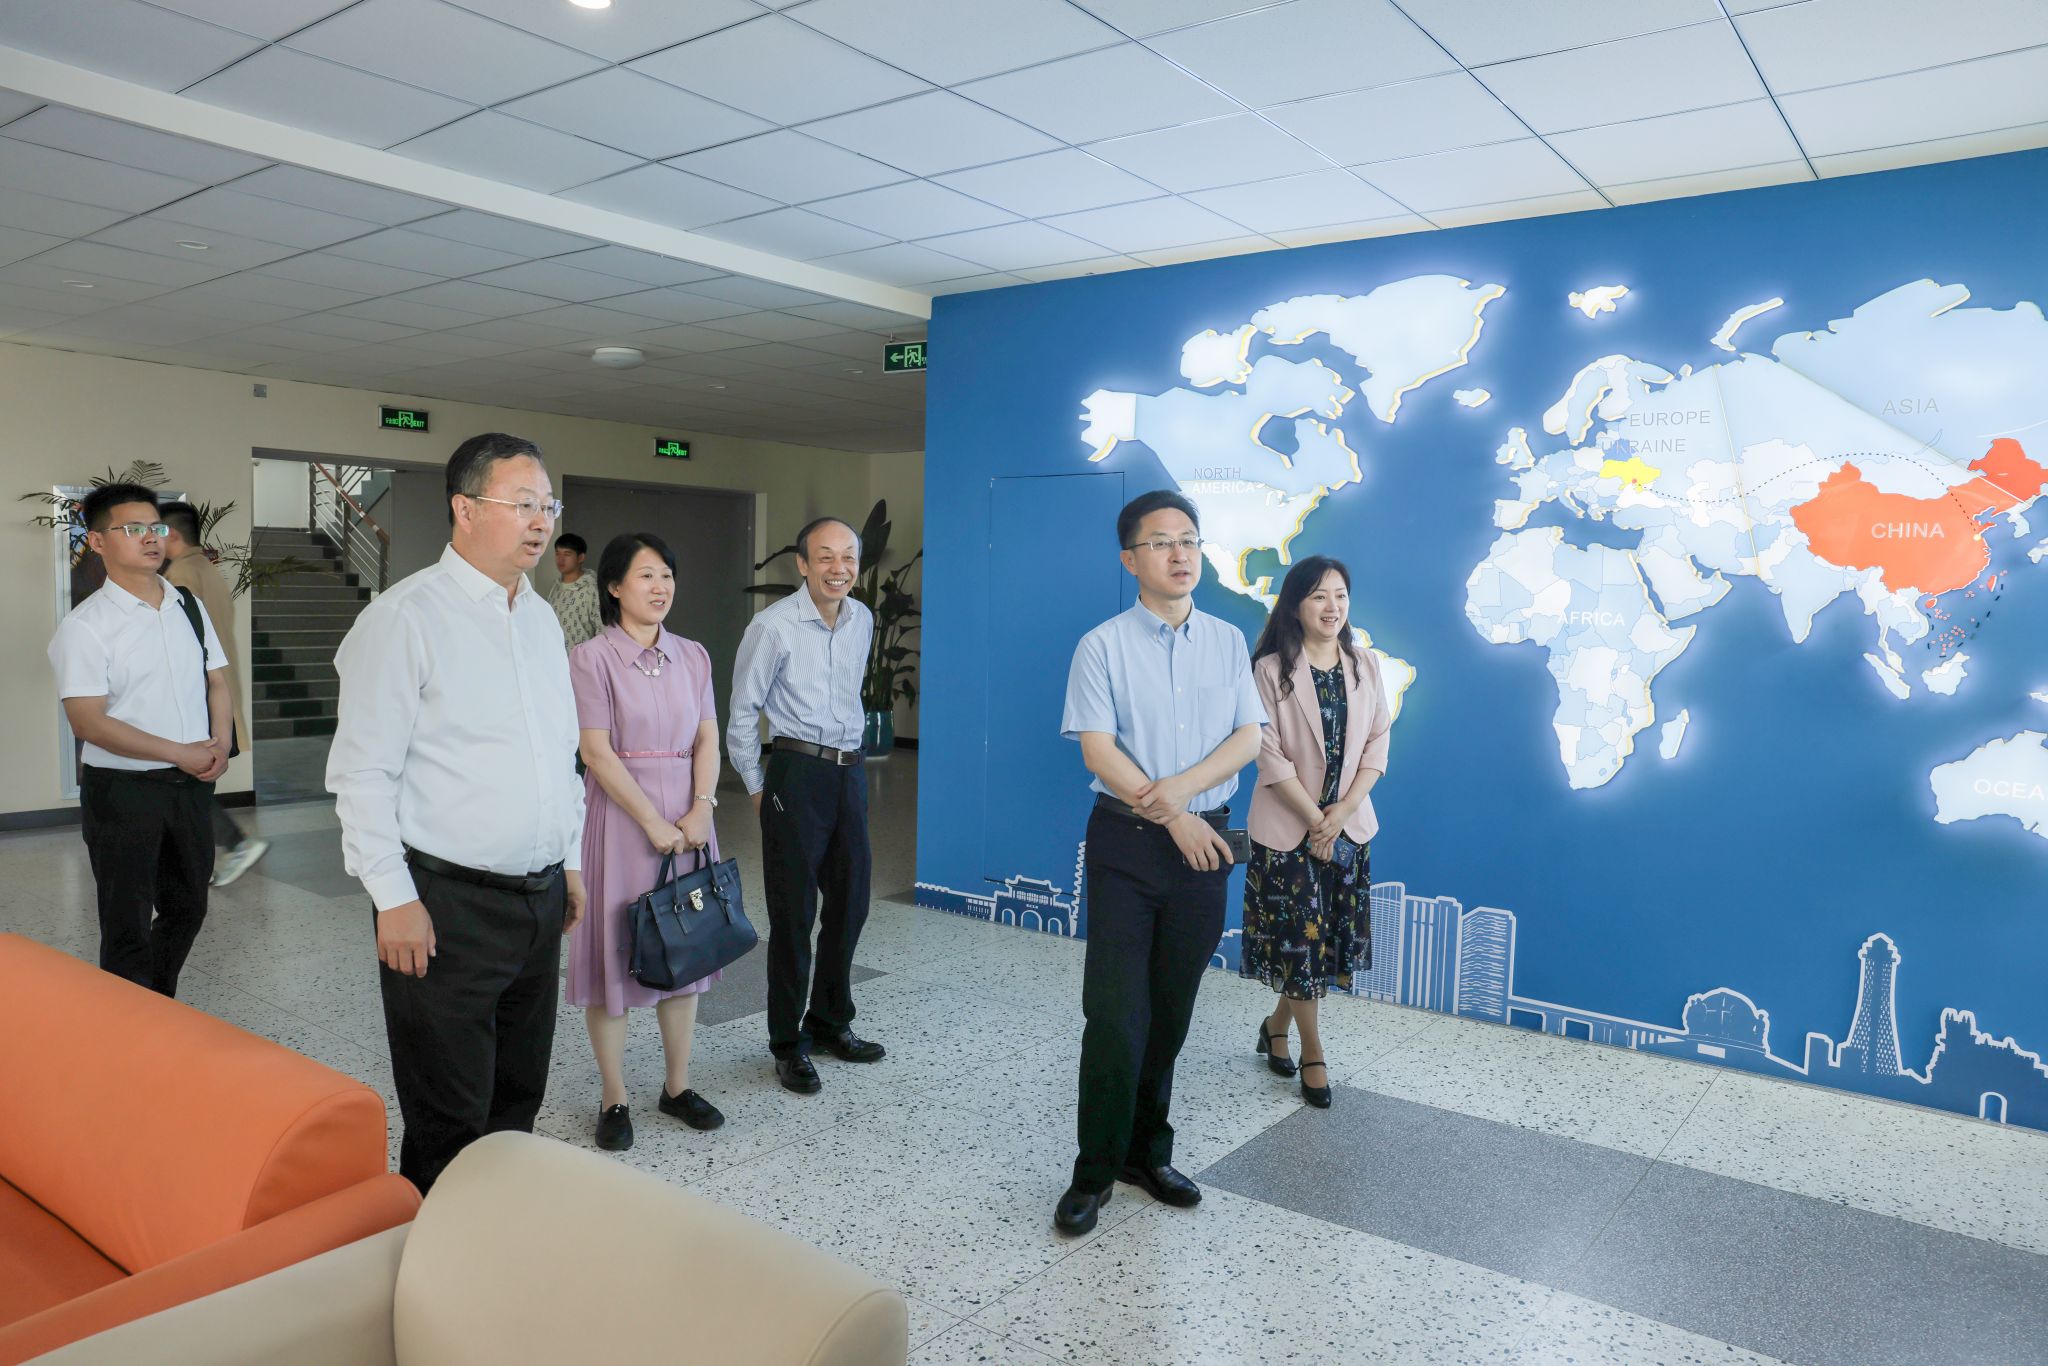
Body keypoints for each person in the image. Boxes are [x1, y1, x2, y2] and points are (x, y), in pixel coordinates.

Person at [326, 433, 586, 1194]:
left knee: (515, 1100)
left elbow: (559, 754)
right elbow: (362, 773)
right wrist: (393, 899)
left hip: (538, 901)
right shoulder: (405, 618)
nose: (541, 522)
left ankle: (492, 1240)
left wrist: (569, 863)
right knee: (449, 1114)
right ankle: (430, 1254)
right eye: (523, 504)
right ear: (465, 509)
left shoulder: (540, 619)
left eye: (548, 506)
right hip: (444, 905)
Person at [1053, 490, 1265, 1236]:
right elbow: (1097, 750)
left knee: (1171, 1011)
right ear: (1129, 559)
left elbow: (1249, 736)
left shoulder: (1228, 641)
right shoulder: (1101, 645)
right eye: (1161, 542)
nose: (1180, 554)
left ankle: (1147, 1155)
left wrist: (1183, 798)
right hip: (1128, 845)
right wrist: (1172, 812)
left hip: (1205, 848)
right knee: (1115, 1016)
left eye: (1189, 541)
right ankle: (1093, 1172)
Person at [567, 532, 727, 1150]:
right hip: (620, 823)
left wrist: (702, 808)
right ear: (614, 587)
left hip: (690, 820)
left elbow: (707, 738)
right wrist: (652, 822)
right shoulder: (592, 659)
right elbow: (595, 752)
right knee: (615, 958)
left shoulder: (694, 655)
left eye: (666, 575)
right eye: (645, 576)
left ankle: (677, 1086)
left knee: (685, 951)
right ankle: (614, 1097)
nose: (660, 587)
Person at [48, 483, 231, 996]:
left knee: (188, 906)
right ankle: (129, 1023)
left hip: (191, 787)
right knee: (126, 923)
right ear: (98, 541)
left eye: (155, 527)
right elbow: (88, 723)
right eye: (132, 529)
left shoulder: (187, 606)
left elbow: (216, 680)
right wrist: (179, 752)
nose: (150, 538)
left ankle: (154, 1002)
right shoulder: (85, 627)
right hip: (123, 792)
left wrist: (220, 742)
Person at [727, 516, 884, 1095]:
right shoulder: (772, 627)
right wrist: (756, 785)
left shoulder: (862, 618)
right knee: (793, 915)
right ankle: (787, 1043)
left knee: (851, 903)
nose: (838, 568)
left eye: (848, 557)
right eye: (825, 557)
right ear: (802, 564)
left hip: (850, 773)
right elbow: (742, 712)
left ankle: (830, 1021)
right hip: (796, 773)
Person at [1243, 557, 1390, 1109]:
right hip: (1287, 831)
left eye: (1341, 595)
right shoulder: (1269, 670)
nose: (1332, 607)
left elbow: (1378, 743)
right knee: (1298, 944)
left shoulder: (1365, 663)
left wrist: (1340, 813)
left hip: (1348, 830)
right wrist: (1314, 819)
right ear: (1295, 604)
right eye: (1319, 596)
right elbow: (1266, 753)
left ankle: (1275, 1027)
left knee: (1318, 945)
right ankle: (1313, 1052)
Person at [159, 501, 269, 887]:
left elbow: (180, 643)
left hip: (199, 694)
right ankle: (207, 856)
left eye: (155, 531)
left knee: (186, 783)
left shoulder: (181, 575)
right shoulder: (206, 568)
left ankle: (233, 844)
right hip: (217, 688)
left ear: (171, 534)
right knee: (190, 783)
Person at [550, 531, 601, 649]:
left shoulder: (592, 588)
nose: (561, 559)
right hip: (556, 657)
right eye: (557, 554)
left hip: (583, 658)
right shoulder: (555, 587)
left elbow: (602, 629)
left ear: (580, 557)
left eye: (567, 554)